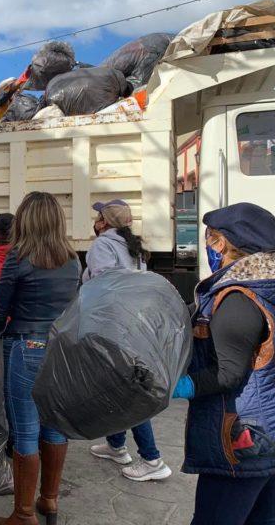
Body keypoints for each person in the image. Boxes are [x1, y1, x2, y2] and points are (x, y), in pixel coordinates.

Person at [172, 202, 275, 525]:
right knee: (261, 520)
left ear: (221, 243)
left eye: (210, 237)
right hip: (272, 432)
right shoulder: (271, 286)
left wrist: (179, 386)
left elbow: (228, 374)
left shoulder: (238, 298)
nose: (208, 244)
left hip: (243, 441)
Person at [0, 192, 81, 525]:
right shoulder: (73, 260)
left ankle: (23, 513)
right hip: (60, 350)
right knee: (55, 427)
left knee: (26, 432)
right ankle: (50, 501)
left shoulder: (18, 257)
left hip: (26, 347)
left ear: (25, 220)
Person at [85, 199, 172, 482]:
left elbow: (102, 285)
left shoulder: (102, 246)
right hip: (132, 324)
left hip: (112, 326)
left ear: (104, 222)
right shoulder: (133, 248)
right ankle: (116, 445)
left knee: (128, 391)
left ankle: (152, 458)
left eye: (98, 217)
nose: (95, 221)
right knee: (115, 386)